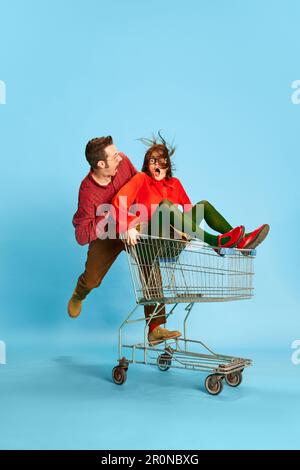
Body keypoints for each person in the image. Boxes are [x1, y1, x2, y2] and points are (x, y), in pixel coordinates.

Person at [112, 133, 270, 342]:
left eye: (162, 161)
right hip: (146, 239)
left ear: (168, 164)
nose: (157, 165)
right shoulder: (141, 179)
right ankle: (215, 243)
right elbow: (118, 202)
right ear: (147, 165)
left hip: (170, 241)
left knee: (203, 205)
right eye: (152, 161)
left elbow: (188, 213)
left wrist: (185, 230)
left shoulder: (175, 184)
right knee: (165, 211)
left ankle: (239, 242)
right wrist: (129, 225)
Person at [68, 136, 181, 344]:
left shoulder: (124, 163)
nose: (120, 157)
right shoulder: (87, 193)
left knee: (150, 259)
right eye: (114, 156)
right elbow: (81, 236)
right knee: (92, 279)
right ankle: (79, 293)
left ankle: (155, 328)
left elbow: (139, 190)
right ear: (101, 164)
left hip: (133, 228)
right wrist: (113, 217)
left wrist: (134, 221)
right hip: (107, 234)